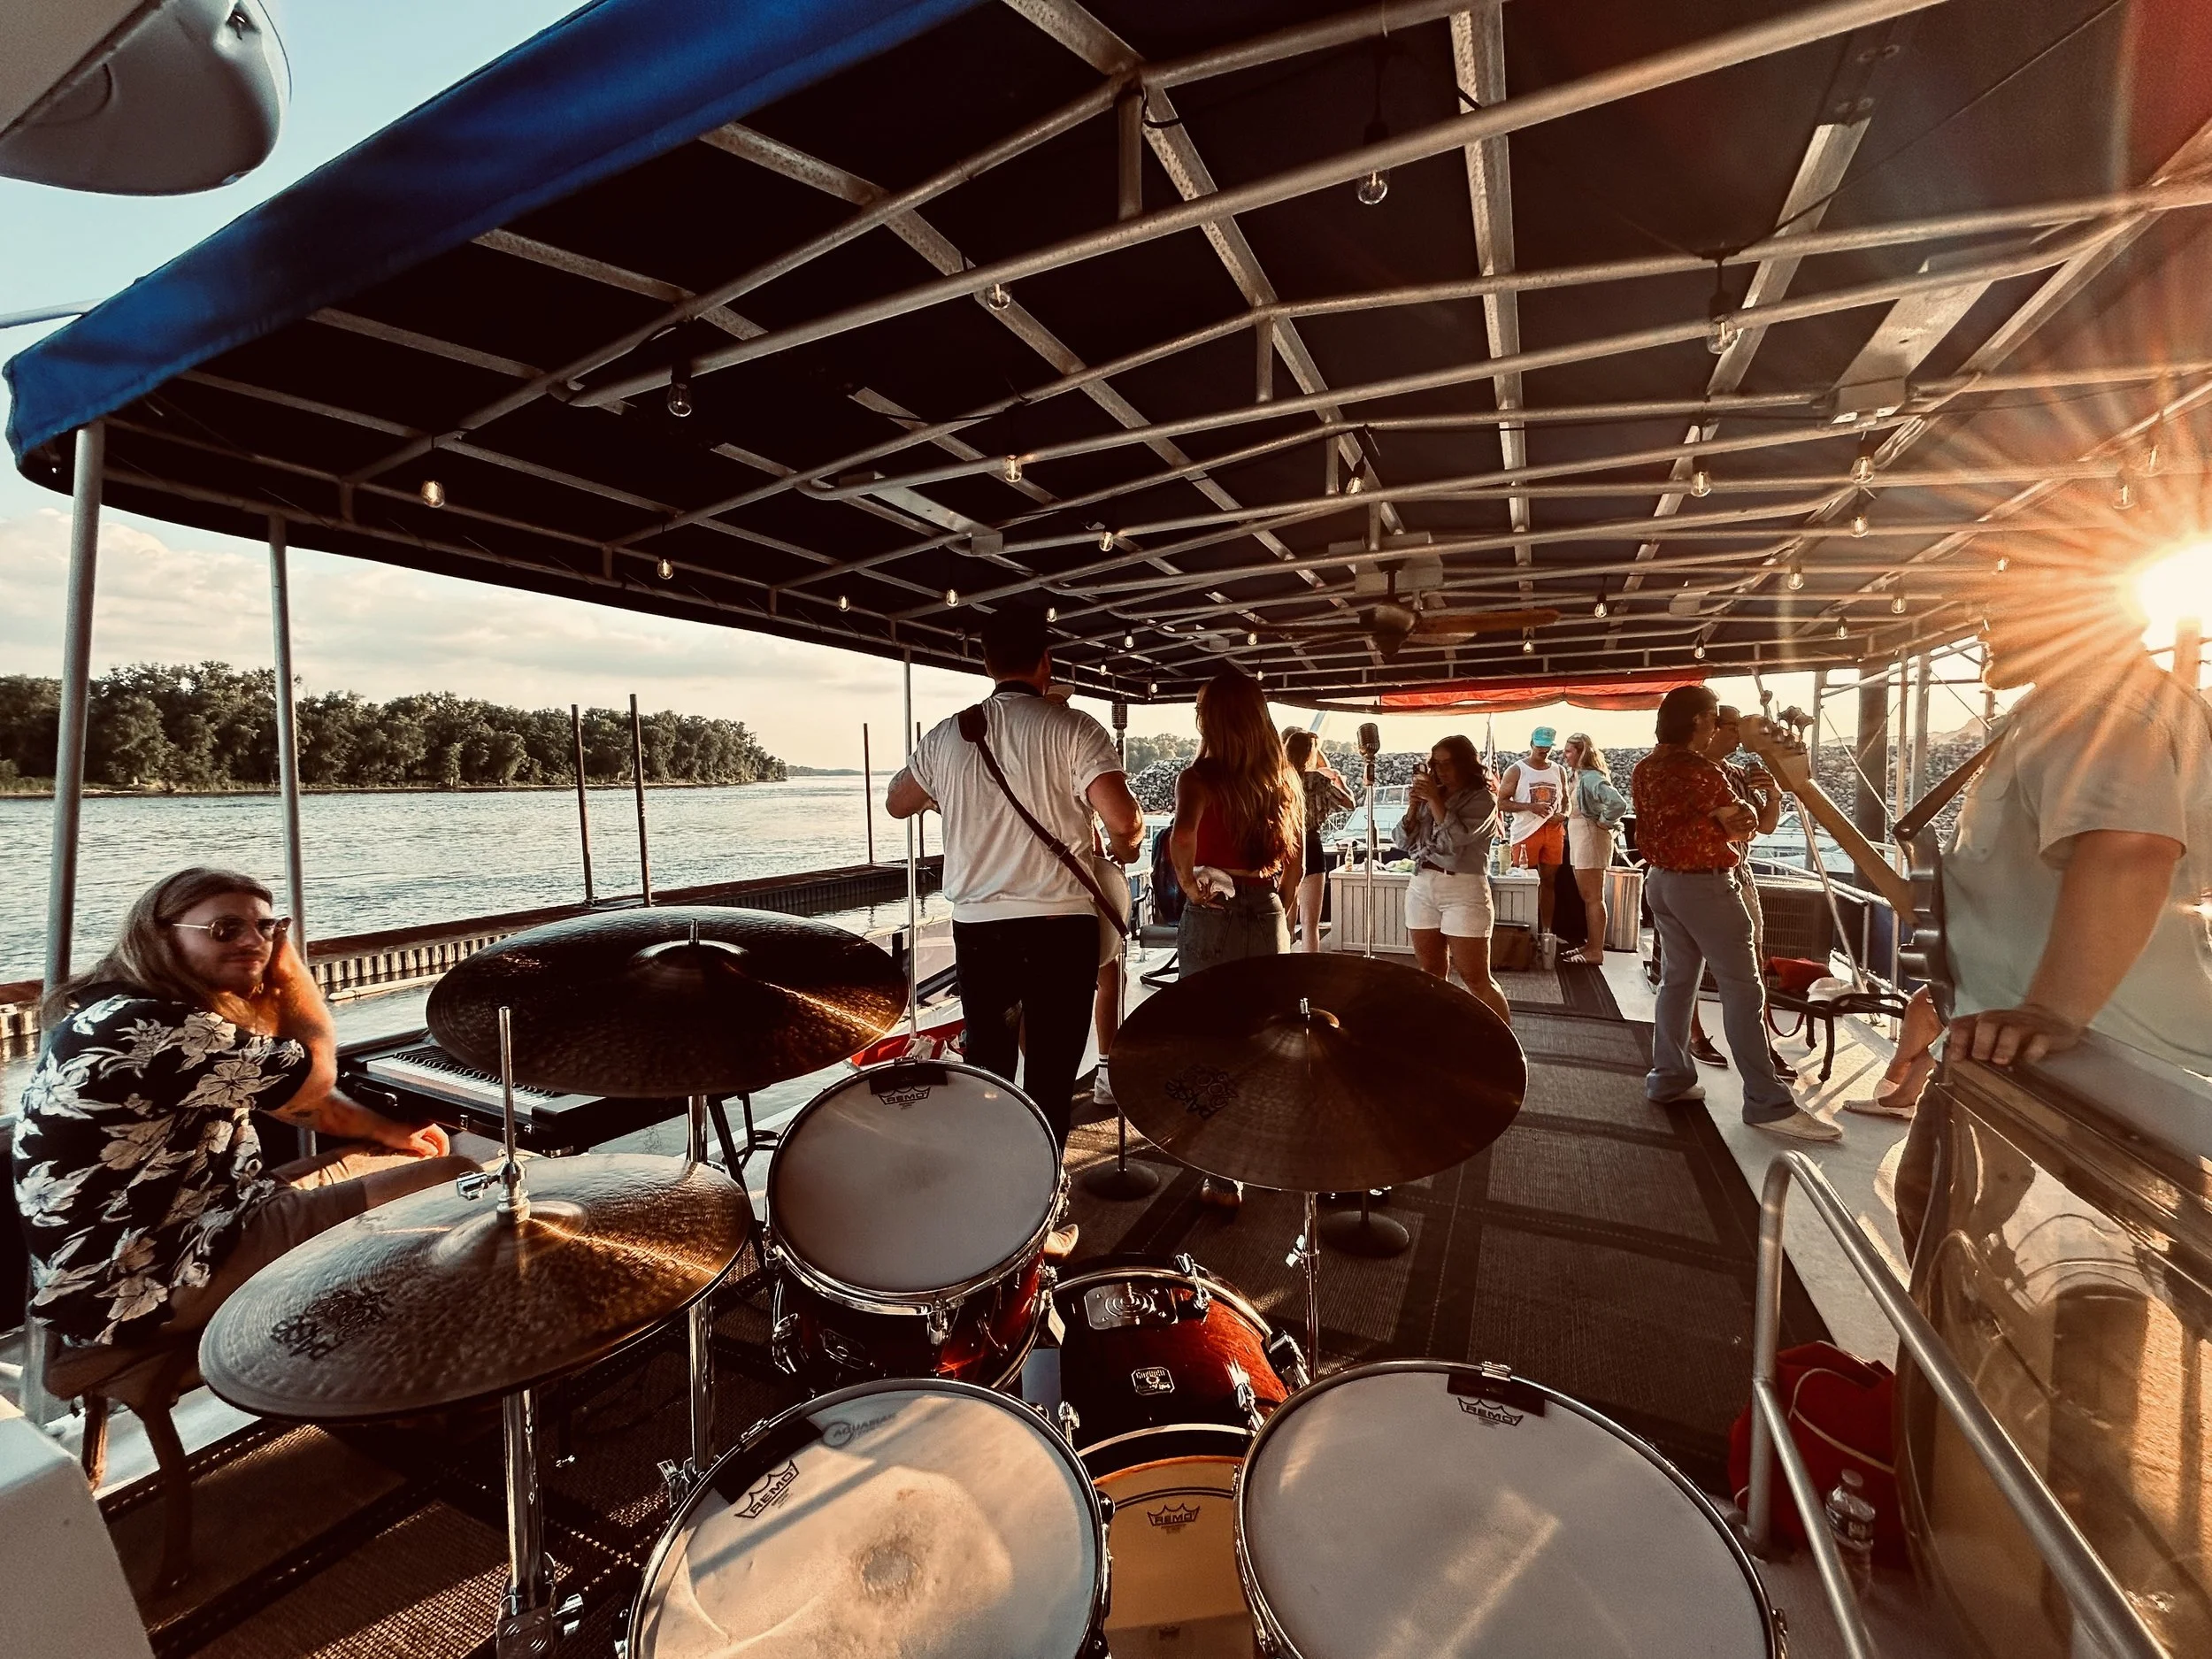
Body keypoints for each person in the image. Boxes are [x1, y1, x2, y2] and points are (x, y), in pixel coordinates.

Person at [13, 867, 474, 1365]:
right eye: (225, 930)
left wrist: (392, 1134)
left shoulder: (124, 1009)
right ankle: (421, 1371)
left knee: (407, 1159)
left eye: (267, 928)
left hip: (193, 1220)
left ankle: (373, 1343)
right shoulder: (151, 1026)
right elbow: (315, 1077)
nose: (255, 942)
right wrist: (291, 972)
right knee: (462, 1182)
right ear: (160, 937)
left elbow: (298, 1101)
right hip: (147, 1276)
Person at [888, 604, 1144, 1151]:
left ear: (987, 664)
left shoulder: (948, 736)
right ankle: (1046, 1213)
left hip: (980, 929)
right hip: (1059, 926)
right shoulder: (1075, 728)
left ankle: (995, 1197)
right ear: (1045, 663)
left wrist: (950, 798)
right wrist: (1126, 847)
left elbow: (896, 802)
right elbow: (1125, 821)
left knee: (990, 1070)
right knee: (1051, 1073)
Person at [1632, 687, 1839, 1141]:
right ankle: (1767, 1102)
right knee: (1743, 991)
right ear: (1700, 722)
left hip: (1662, 882)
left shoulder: (1647, 767)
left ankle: (1669, 1077)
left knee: (1677, 982)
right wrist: (1748, 804)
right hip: (1705, 886)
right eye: (1713, 719)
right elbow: (1744, 825)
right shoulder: (1703, 771)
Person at [1170, 669, 1304, 1209]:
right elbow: (1294, 859)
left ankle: (1223, 1174)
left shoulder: (1198, 779)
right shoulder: (1282, 778)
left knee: (1210, 1034)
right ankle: (1263, 1151)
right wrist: (1283, 908)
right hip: (1266, 905)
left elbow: (1183, 839)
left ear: (1214, 719)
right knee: (1263, 1035)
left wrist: (1187, 886)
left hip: (1215, 912)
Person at [1684, 704, 1798, 1080]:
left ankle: (1762, 1043)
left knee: (1754, 963)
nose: (1737, 737)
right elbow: (1737, 827)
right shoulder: (1686, 772)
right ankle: (1695, 1033)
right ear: (1710, 729)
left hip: (1739, 876)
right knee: (1689, 963)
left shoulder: (1737, 774)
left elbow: (1763, 828)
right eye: (1730, 729)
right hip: (1699, 877)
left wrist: (1774, 797)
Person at [1401, 734, 1511, 1025]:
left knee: (1475, 978)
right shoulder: (1432, 795)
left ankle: (1505, 1048)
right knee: (1431, 972)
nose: (1440, 772)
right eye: (1435, 765)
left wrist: (1435, 801)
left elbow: (1457, 839)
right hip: (1422, 884)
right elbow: (1403, 841)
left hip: (1463, 888)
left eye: (1448, 764)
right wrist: (1414, 806)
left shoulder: (1483, 799)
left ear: (1466, 764)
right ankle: (1442, 1035)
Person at [1285, 728, 1355, 953]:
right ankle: (1309, 971)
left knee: (1285, 917)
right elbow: (1350, 803)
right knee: (1310, 923)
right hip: (1311, 845)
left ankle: (1282, 964)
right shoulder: (1320, 782)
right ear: (1311, 753)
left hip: (1284, 845)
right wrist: (1337, 779)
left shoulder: (1279, 779)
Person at [1561, 733, 1627, 965]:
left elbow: (1618, 803)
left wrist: (1604, 821)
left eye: (1569, 751)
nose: (1564, 755)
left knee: (1593, 897)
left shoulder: (1590, 777)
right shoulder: (1578, 777)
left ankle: (1596, 951)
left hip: (1591, 836)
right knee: (1587, 896)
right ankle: (1591, 944)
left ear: (1581, 752)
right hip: (1581, 836)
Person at [1497, 726, 1569, 936]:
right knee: (1523, 881)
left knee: (1549, 882)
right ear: (1531, 744)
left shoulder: (1558, 770)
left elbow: (1566, 802)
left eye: (1547, 749)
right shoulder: (1517, 770)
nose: (1543, 752)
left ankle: (1546, 931)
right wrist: (1530, 807)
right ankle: (1522, 933)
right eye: (1540, 748)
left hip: (1553, 830)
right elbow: (1500, 802)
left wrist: (1563, 814)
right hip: (1526, 832)